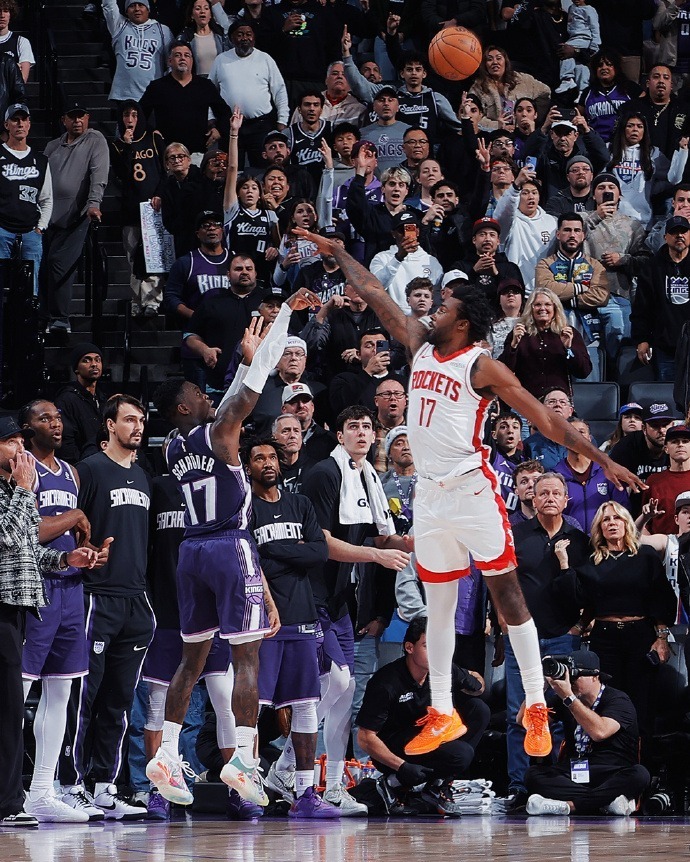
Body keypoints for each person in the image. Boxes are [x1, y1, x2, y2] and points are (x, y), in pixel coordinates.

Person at [294, 227, 642, 765]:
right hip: (431, 497)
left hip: (472, 490)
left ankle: (534, 704)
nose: (434, 310)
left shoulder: (481, 366)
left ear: (462, 321)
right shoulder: (420, 345)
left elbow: (547, 420)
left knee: (507, 595)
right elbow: (378, 295)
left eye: (445, 306)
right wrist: (339, 252)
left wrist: (602, 458)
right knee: (439, 606)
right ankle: (442, 710)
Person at [146, 289, 317, 808]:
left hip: (190, 552)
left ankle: (167, 752)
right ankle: (243, 758)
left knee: (191, 659)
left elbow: (230, 398)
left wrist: (245, 359)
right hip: (229, 544)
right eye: (198, 395)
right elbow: (248, 393)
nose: (207, 396)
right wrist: (282, 320)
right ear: (185, 407)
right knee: (247, 657)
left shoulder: (174, 446)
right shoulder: (221, 433)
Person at [299, 405, 410, 815]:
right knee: (337, 682)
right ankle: (288, 765)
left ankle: (331, 786)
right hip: (310, 593)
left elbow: (381, 538)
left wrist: (417, 542)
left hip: (341, 598)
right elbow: (322, 542)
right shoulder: (324, 474)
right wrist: (376, 556)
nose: (362, 433)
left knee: (345, 694)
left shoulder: (369, 478)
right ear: (339, 434)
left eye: (367, 427)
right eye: (353, 427)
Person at [0, 416, 98, 828]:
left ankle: (25, 796)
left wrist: (64, 558)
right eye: (10, 441)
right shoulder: (17, 489)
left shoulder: (14, 489)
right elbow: (7, 536)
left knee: (17, 707)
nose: (19, 449)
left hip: (24, 602)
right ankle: (10, 800)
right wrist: (26, 489)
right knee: (9, 703)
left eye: (21, 441)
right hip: (6, 604)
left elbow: (25, 547)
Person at [58, 395, 152, 821]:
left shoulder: (143, 475)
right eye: (129, 419)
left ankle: (103, 786)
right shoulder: (91, 469)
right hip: (96, 596)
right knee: (84, 697)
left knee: (119, 701)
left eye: (142, 420)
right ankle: (68, 784)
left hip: (135, 599)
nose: (138, 426)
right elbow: (71, 524)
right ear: (110, 425)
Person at [245, 438, 339, 819]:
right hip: (261, 619)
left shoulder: (300, 504)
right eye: (259, 457)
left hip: (301, 615)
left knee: (305, 704)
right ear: (248, 466)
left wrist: (273, 551)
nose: (267, 462)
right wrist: (293, 552)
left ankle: (304, 792)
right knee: (251, 708)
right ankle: (245, 788)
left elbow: (319, 552)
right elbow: (249, 559)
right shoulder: (245, 508)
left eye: (272, 456)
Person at [556, 501, 677, 739]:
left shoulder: (646, 556)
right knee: (607, 700)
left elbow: (660, 597)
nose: (612, 523)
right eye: (606, 520)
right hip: (605, 637)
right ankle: (612, 755)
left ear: (626, 523)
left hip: (640, 635)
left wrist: (662, 638)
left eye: (617, 518)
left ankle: (642, 757)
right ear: (599, 528)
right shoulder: (591, 561)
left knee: (642, 700)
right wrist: (564, 564)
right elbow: (581, 600)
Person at [506, 472, 591, 804]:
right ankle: (518, 786)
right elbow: (502, 583)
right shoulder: (517, 535)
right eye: (543, 493)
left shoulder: (580, 540)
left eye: (556, 493)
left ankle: (553, 783)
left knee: (559, 714)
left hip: (562, 637)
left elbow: (590, 589)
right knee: (519, 714)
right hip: (521, 637)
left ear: (566, 500)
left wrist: (579, 626)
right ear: (533, 497)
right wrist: (502, 620)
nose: (550, 498)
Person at [357, 617, 490, 817]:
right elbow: (365, 737)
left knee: (478, 709)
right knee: (461, 754)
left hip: (429, 735)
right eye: (428, 646)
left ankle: (438, 784)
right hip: (395, 746)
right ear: (409, 647)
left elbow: (477, 683)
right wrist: (402, 767)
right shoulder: (386, 682)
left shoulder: (443, 670)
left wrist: (475, 684)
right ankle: (393, 781)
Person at [523, 649, 650, 817]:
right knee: (533, 775)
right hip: (575, 772)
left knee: (639, 775)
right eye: (567, 676)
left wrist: (569, 698)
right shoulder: (565, 698)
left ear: (595, 676)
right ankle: (605, 803)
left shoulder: (618, 700)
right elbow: (526, 723)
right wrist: (537, 690)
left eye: (575, 675)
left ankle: (570, 806)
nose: (570, 682)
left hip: (610, 771)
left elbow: (600, 732)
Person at [41, 104, 109, 336]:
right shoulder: (52, 146)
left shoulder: (95, 140)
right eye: (72, 117)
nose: (77, 120)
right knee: (43, 265)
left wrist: (94, 203)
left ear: (87, 118)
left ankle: (60, 319)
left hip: (76, 217)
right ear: (64, 120)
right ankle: (42, 316)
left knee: (59, 263)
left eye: (81, 116)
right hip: (47, 217)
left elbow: (99, 174)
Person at [582, 172, 651, 360]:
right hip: (584, 293)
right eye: (601, 188)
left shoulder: (632, 225)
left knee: (621, 347)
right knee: (587, 350)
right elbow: (567, 239)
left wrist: (623, 259)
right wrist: (596, 216)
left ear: (619, 194)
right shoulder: (581, 219)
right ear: (593, 194)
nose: (607, 191)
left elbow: (645, 261)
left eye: (611, 187)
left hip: (619, 294)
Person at [110, 101, 166, 317]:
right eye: (126, 115)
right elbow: (122, 174)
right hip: (131, 209)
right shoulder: (116, 145)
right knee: (133, 257)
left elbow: (165, 171)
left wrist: (159, 194)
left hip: (153, 208)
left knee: (153, 256)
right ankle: (136, 301)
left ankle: (152, 300)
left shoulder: (154, 138)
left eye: (134, 114)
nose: (130, 119)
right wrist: (126, 146)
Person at [184, 253, 266, 397]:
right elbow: (190, 335)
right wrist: (204, 350)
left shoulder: (269, 302)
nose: (244, 272)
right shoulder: (212, 302)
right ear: (228, 274)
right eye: (238, 269)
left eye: (249, 269)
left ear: (256, 273)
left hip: (262, 384)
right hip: (218, 385)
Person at [209, 22, 289, 168]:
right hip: (229, 125)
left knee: (262, 169)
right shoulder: (221, 60)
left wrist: (282, 119)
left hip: (260, 125)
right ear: (232, 38)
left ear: (254, 37)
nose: (244, 38)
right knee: (231, 168)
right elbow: (209, 92)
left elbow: (279, 90)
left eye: (248, 34)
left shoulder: (265, 59)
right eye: (240, 35)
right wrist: (211, 120)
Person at [139, 40, 230, 160]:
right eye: (178, 55)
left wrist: (219, 130)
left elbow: (225, 112)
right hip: (166, 153)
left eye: (187, 55)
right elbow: (139, 115)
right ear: (169, 61)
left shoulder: (205, 86)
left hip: (197, 152)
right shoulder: (157, 87)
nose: (182, 58)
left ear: (192, 61)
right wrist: (151, 132)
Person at [499, 287, 592, 401]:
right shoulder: (519, 333)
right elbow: (503, 371)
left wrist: (568, 348)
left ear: (555, 308)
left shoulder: (568, 333)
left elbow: (583, 371)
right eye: (538, 305)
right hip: (527, 401)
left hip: (557, 402)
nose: (542, 308)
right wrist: (513, 346)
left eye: (547, 304)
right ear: (530, 308)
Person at [0, 103, 51, 298]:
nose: (20, 124)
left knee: (31, 292)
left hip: (30, 232)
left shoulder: (41, 161)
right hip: (2, 231)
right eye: (15, 119)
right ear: (7, 124)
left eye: (24, 119)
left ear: (29, 124)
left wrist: (40, 228)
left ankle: (29, 317)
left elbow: (47, 199)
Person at [631, 216, 690, 383]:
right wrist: (642, 339)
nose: (679, 236)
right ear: (665, 237)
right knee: (666, 392)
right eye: (674, 232)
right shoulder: (652, 267)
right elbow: (642, 307)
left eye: (684, 232)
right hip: (665, 347)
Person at [224, 110, 279, 286]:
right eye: (245, 188)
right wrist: (234, 133)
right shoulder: (232, 211)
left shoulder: (269, 215)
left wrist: (275, 249)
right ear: (238, 192)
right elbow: (232, 168)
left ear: (260, 193)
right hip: (235, 274)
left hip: (263, 275)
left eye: (254, 188)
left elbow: (280, 244)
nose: (249, 191)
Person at [606, 110, 687, 229]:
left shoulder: (653, 153)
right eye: (630, 126)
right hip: (613, 220)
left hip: (642, 222)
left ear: (644, 131)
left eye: (640, 126)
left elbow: (672, 179)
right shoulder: (609, 150)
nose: (635, 129)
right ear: (623, 128)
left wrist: (654, 187)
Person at [554, 417, 629, 534]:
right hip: (568, 541)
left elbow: (622, 511)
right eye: (571, 432)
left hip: (604, 541)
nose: (577, 436)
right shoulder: (555, 477)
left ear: (589, 438)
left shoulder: (607, 473)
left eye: (581, 432)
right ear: (563, 439)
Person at [493, 165, 557, 292]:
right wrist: (516, 186)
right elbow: (502, 213)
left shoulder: (552, 222)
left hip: (546, 290)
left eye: (534, 193)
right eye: (525, 193)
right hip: (516, 290)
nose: (531, 197)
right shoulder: (510, 221)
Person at [369, 210, 443, 315]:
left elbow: (437, 296)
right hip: (391, 318)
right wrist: (398, 258)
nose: (406, 235)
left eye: (410, 229)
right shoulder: (381, 258)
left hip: (422, 320)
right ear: (393, 234)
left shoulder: (431, 261)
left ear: (417, 231)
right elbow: (376, 287)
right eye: (401, 230)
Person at [103, 0, 173, 103]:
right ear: (126, 11)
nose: (137, 9)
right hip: (124, 94)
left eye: (141, 5)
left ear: (148, 9)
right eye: (132, 6)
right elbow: (109, 5)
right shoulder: (119, 25)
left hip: (153, 94)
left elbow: (171, 62)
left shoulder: (163, 30)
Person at [468, 45, 551, 131]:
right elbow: (472, 116)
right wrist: (497, 126)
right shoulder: (478, 88)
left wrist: (533, 118)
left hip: (524, 133)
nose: (495, 62)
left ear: (505, 61)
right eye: (489, 59)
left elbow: (545, 92)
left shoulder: (523, 80)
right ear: (485, 65)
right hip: (494, 135)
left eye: (499, 58)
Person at [55, 343, 109, 464]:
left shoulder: (103, 398)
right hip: (82, 465)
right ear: (76, 369)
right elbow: (66, 442)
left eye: (97, 360)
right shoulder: (67, 399)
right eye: (86, 360)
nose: (94, 364)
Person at [578, 49, 643, 144]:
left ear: (616, 67)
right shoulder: (588, 92)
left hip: (623, 143)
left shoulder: (630, 88)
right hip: (596, 144)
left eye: (609, 64)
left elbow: (646, 108)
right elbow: (579, 115)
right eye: (600, 65)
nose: (604, 68)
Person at [459, 216, 524, 312]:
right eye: (482, 235)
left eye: (492, 235)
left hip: (501, 316)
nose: (487, 239)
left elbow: (517, 296)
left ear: (498, 241)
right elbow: (454, 295)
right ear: (474, 240)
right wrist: (473, 272)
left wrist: (496, 274)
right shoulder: (461, 266)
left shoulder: (510, 267)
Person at [642, 425, 690, 535]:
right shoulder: (653, 481)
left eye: (685, 441)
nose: (680, 445)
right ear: (666, 448)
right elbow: (646, 523)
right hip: (661, 543)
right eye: (674, 442)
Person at [281, 380, 337, 462]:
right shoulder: (274, 441)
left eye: (305, 401)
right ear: (284, 410)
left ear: (312, 406)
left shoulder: (332, 441)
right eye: (294, 402)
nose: (301, 405)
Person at [554, 0, 600, 94]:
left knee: (565, 51)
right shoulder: (571, 8)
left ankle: (567, 78)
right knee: (580, 65)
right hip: (573, 37)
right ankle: (582, 90)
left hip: (583, 38)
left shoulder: (590, 10)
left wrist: (595, 45)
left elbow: (595, 27)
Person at [359, 88, 409, 172]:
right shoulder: (362, 134)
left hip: (403, 179)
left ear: (398, 107)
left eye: (390, 100)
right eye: (381, 100)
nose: (386, 103)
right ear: (374, 107)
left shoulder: (409, 131)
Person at [272, 412, 316, 494]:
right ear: (274, 437)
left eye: (296, 431)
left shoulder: (314, 469)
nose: (292, 435)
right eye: (285, 431)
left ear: (301, 437)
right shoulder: (269, 469)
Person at [0, 0, 34, 82]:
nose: (2, 15)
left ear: (11, 14)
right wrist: (13, 68)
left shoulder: (21, 42)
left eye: (6, 11)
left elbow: (22, 80)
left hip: (10, 90)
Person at [489, 280, 524, 358]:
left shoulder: (530, 322)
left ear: (522, 298)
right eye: (505, 292)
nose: (510, 294)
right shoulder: (490, 324)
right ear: (499, 299)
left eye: (516, 291)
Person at [509, 460, 546, 527]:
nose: (530, 485)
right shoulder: (507, 525)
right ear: (516, 490)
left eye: (535, 481)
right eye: (524, 482)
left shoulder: (562, 522)